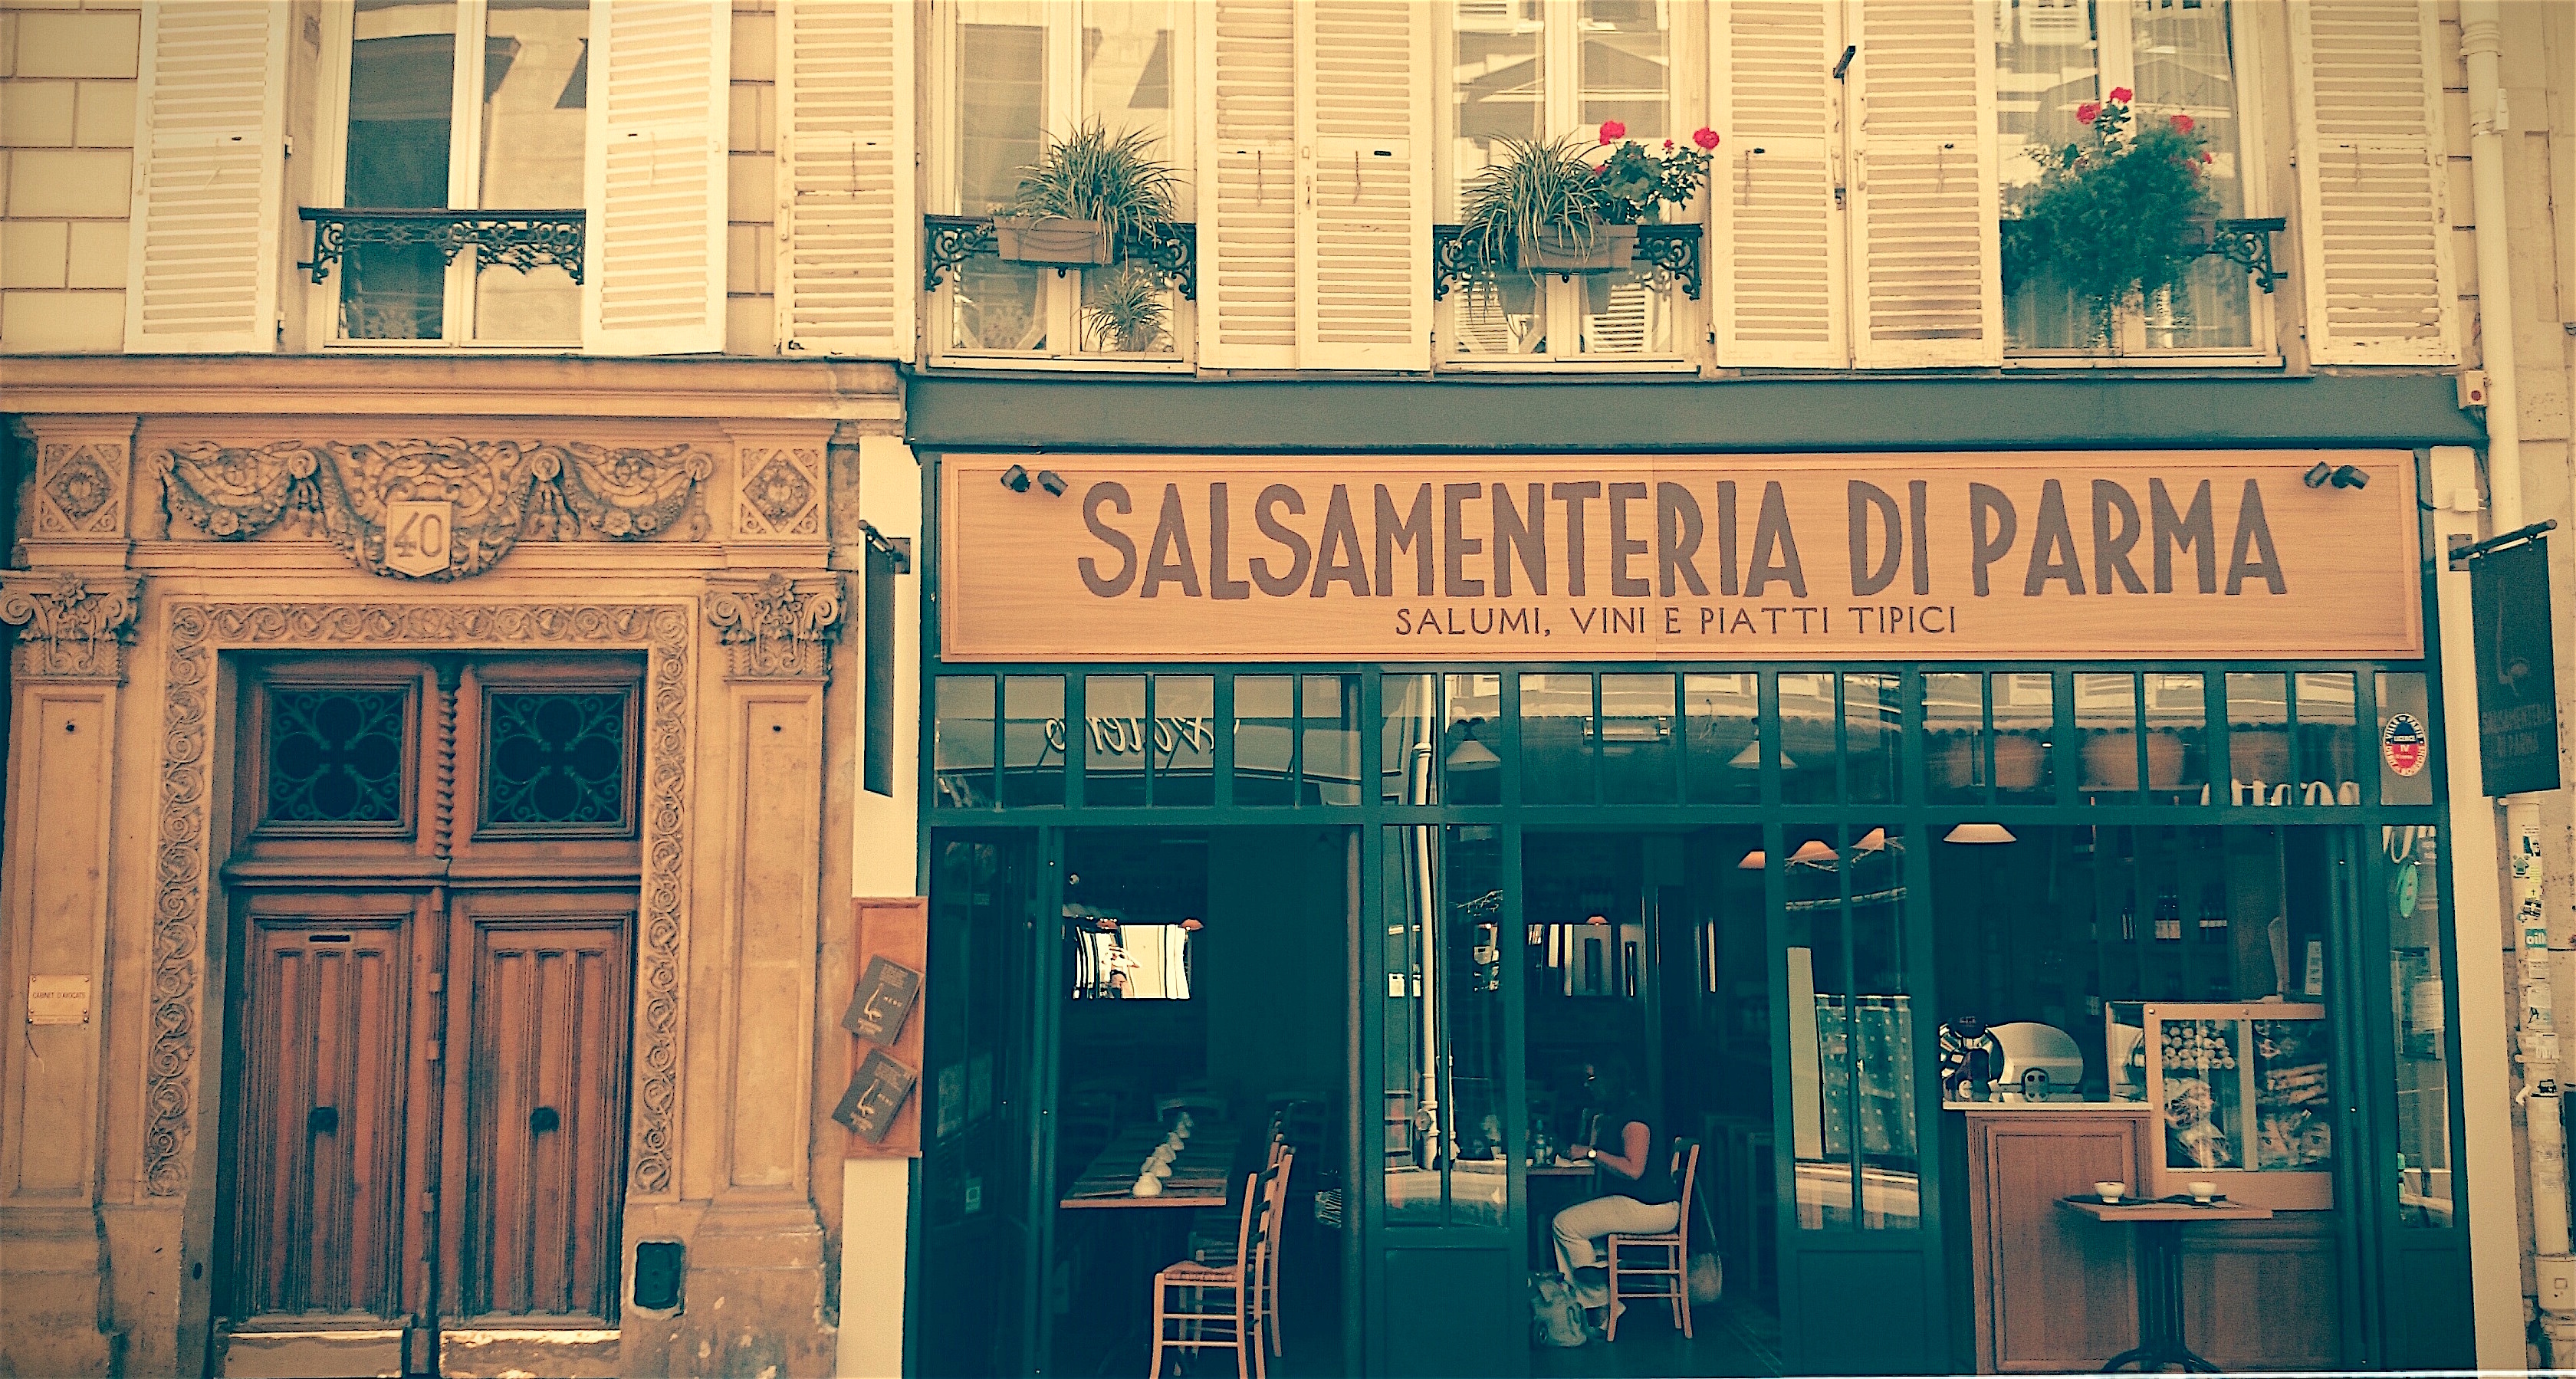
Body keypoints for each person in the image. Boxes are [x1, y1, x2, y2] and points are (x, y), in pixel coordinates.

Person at [1549, 1058, 1677, 1330]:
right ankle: (1601, 1302)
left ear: (1611, 1080)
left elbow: (1633, 1169)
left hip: (1652, 1208)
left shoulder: (1635, 1116)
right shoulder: (1616, 1112)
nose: (1587, 1085)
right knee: (1569, 1214)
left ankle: (1601, 1306)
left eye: (1592, 1080)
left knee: (1564, 1224)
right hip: (1638, 1203)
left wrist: (1591, 1153)